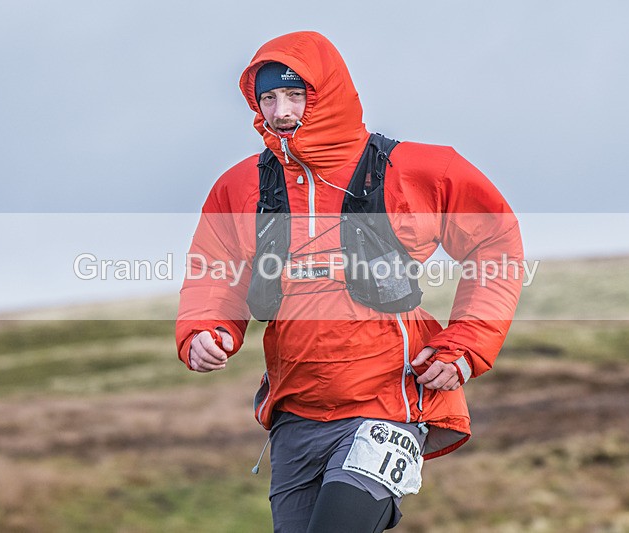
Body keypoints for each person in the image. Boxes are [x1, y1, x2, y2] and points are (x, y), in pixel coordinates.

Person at [176, 31, 523, 532]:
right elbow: (214, 268)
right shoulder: (240, 185)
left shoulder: (420, 170)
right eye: (267, 97)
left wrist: (466, 345)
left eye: (295, 94)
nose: (280, 111)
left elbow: (497, 245)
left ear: (328, 93)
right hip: (294, 413)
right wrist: (206, 330)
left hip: (388, 405)